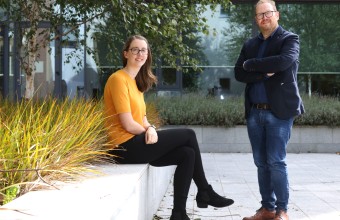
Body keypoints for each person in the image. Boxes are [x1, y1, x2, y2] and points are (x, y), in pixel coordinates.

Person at [104, 35, 234, 220]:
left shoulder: (135, 83)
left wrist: (150, 128)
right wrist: (149, 131)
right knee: (188, 134)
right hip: (123, 147)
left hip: (136, 142)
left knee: (187, 153)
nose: (140, 53)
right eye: (135, 49)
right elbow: (127, 123)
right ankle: (204, 190)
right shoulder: (118, 79)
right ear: (126, 53)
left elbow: (141, 118)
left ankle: (179, 213)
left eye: (144, 50)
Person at [234, 1, 305, 220]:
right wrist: (264, 72)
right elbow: (239, 73)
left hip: (279, 112)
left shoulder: (289, 39)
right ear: (256, 20)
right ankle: (267, 208)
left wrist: (252, 64)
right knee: (261, 162)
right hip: (255, 112)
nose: (264, 17)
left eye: (268, 13)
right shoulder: (249, 44)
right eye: (259, 15)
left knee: (276, 160)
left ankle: (282, 211)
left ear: (277, 15)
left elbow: (284, 62)